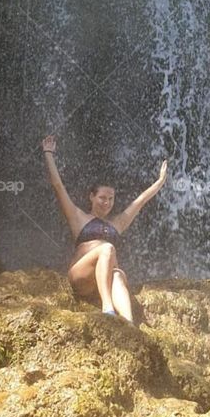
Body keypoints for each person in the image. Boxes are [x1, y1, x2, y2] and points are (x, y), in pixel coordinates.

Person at [42, 133, 167, 323]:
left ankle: (128, 325)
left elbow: (140, 202)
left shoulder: (117, 223)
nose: (107, 203)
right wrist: (48, 153)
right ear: (92, 197)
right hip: (81, 277)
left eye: (110, 199)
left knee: (118, 275)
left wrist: (160, 182)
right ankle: (107, 309)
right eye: (102, 198)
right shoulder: (78, 217)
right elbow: (58, 186)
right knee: (107, 248)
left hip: (105, 279)